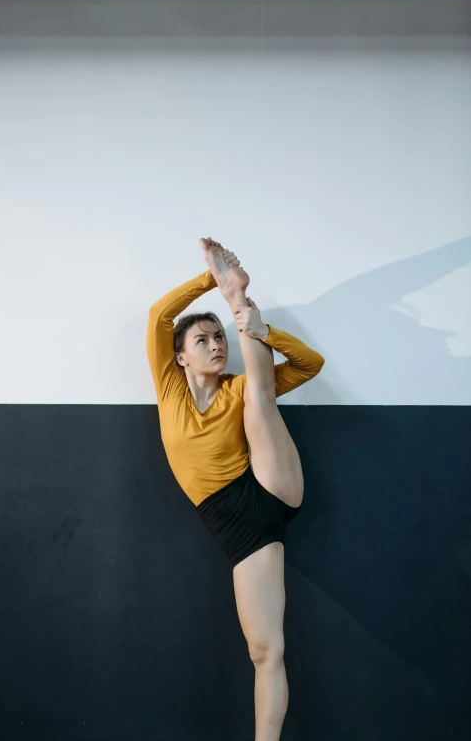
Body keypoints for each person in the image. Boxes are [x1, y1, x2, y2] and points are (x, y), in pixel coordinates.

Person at [146, 237, 325, 741]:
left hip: (269, 482)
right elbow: (161, 315)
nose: (215, 345)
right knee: (264, 650)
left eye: (220, 337)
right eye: (202, 340)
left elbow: (310, 365)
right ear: (179, 358)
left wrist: (260, 329)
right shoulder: (169, 389)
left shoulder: (241, 386)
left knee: (260, 396)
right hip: (236, 526)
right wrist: (210, 278)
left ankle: (240, 301)